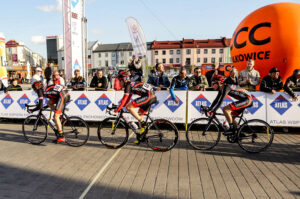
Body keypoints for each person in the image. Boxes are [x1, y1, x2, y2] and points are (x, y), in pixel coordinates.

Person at [114, 70, 157, 144]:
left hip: (149, 96)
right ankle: (142, 137)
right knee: (139, 115)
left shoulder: (128, 85)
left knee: (129, 107)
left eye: (120, 81)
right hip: (150, 96)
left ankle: (143, 123)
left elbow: (124, 101)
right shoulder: (130, 84)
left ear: (123, 80)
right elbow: (127, 99)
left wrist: (116, 110)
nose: (119, 83)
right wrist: (119, 106)